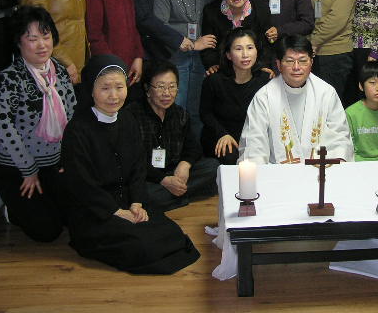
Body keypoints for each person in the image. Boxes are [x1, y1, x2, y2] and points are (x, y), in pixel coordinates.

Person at [61, 55, 200, 274]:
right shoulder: (77, 130)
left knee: (173, 234)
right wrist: (116, 211)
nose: (114, 96)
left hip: (127, 201)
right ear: (91, 90)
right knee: (144, 245)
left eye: (119, 87)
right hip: (95, 210)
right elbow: (82, 184)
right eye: (105, 88)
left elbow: (138, 167)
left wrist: (136, 202)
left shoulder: (127, 120)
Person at [0, 6, 76, 242]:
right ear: (18, 42)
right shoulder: (8, 78)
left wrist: (69, 159)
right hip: (18, 169)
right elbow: (4, 129)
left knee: (75, 217)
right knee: (47, 232)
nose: (42, 45)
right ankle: (13, 210)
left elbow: (73, 115)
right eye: (32, 39)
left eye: (46, 36)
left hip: (53, 164)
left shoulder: (60, 71)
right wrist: (28, 170)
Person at [238, 35, 353, 164]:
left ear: (311, 62)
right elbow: (254, 143)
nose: (296, 67)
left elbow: (340, 138)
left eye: (303, 61)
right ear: (278, 64)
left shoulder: (326, 93)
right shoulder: (264, 97)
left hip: (319, 171)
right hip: (277, 172)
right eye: (290, 61)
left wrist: (335, 161)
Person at [126, 60, 219, 211]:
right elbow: (134, 161)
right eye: (160, 87)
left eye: (172, 86)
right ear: (147, 89)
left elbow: (193, 147)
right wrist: (163, 180)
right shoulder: (132, 115)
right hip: (148, 177)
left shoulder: (180, 114)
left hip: (174, 171)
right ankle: (181, 196)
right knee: (141, 193)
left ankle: (173, 195)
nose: (167, 93)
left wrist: (185, 165)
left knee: (213, 167)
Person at [153, 0, 217, 134]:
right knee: (173, 107)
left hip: (203, 58)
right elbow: (159, 25)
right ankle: (171, 150)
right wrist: (192, 42)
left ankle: (194, 151)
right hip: (175, 57)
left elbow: (217, 19)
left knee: (198, 109)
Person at [200, 28, 270, 165]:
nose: (245, 54)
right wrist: (222, 134)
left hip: (253, 138)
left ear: (257, 51)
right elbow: (205, 113)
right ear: (228, 55)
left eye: (250, 48)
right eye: (238, 49)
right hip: (221, 136)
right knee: (231, 157)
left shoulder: (265, 80)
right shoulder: (214, 80)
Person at [200, 0, 272, 74]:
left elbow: (266, 43)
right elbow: (208, 44)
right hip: (222, 67)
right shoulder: (211, 11)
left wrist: (263, 65)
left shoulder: (261, 9)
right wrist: (212, 64)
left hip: (254, 67)